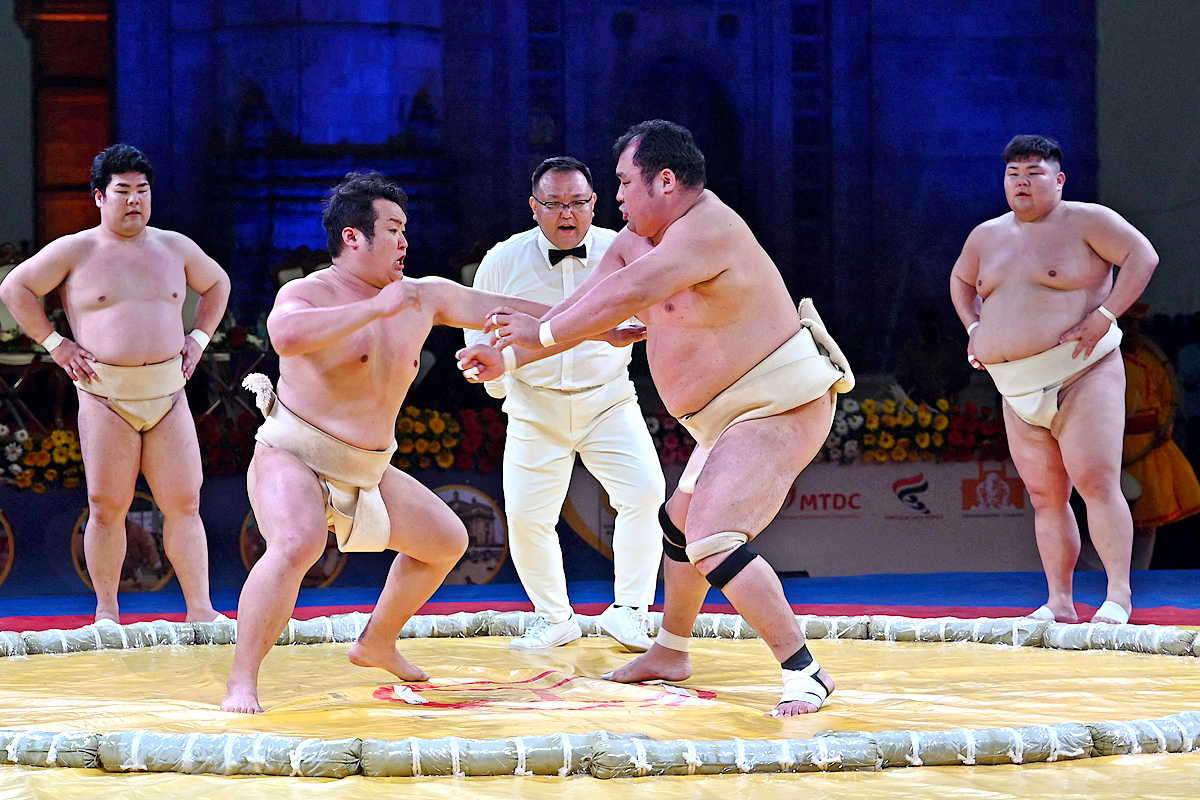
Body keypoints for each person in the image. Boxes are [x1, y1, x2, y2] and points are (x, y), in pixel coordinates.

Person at [462, 120, 854, 716]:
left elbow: (624, 296)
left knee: (714, 536)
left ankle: (805, 672)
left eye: (622, 182)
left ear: (664, 180)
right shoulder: (630, 240)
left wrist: (535, 332)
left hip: (778, 402)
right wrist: (513, 353)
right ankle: (670, 650)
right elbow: (587, 306)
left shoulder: (709, 231)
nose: (615, 197)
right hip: (722, 417)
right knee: (679, 521)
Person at [221, 172, 640, 714]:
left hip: (367, 465)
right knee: (298, 543)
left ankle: (375, 641)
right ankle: (242, 681)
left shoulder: (422, 296)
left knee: (445, 541)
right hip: (292, 452)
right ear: (353, 238)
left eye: (405, 230)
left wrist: (595, 326)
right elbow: (286, 337)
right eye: (393, 230)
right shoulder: (307, 292)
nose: (404, 242)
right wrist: (375, 308)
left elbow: (508, 308)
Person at [0, 144, 229, 624]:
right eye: (122, 191)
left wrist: (200, 337)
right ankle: (106, 612)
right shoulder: (75, 249)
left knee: (185, 502)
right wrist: (55, 343)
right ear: (99, 197)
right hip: (105, 396)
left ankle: (202, 611)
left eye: (142, 191)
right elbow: (14, 288)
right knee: (106, 506)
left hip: (168, 394)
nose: (134, 201)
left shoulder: (175, 247)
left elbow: (217, 284)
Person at [950, 135, 1158, 624]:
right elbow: (961, 282)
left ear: (1058, 179)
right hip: (1014, 385)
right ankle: (1059, 602)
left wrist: (1106, 313)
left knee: (1095, 482)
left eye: (1034, 173)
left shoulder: (1088, 221)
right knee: (1046, 498)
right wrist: (975, 328)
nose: (1022, 183)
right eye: (1013, 175)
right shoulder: (986, 235)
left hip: (1082, 371)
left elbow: (1142, 256)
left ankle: (1117, 597)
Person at [462, 156, 665, 652]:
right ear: (534, 208)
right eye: (554, 204)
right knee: (529, 517)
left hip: (609, 399)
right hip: (535, 403)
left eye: (577, 203)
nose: (567, 214)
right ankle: (553, 617)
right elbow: (478, 337)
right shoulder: (503, 260)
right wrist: (505, 385)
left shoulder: (628, 251)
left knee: (644, 494)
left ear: (595, 203)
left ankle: (632, 611)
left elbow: (659, 317)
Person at [1119, 304, 1200, 568]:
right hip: (1118, 446)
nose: (1128, 330)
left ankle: (1141, 572)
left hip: (1151, 446)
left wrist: (1164, 428)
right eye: (1123, 324)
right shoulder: (1106, 363)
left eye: (1132, 324)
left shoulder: (1154, 361)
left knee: (1149, 519)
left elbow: (1168, 398)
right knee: (1114, 515)